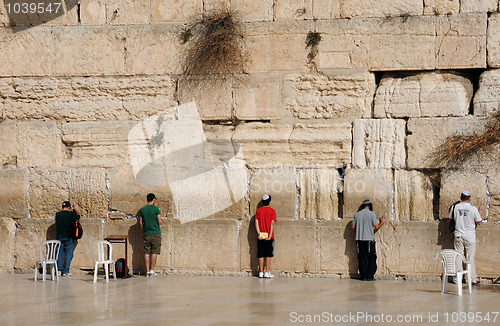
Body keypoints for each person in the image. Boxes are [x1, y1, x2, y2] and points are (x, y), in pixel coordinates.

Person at [449, 190, 483, 285]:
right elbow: (479, 222)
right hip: (469, 237)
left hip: (458, 235)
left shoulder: (454, 207)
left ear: (461, 198)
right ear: (469, 198)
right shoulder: (473, 209)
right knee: (469, 258)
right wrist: (480, 212)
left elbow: (450, 219)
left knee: (458, 256)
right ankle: (472, 279)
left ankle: (457, 279)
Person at [351, 199, 386, 281]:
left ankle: (363, 276)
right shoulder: (372, 214)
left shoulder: (357, 215)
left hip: (359, 239)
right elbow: (376, 226)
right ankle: (370, 276)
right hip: (369, 240)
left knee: (361, 258)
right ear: (370, 206)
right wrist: (382, 222)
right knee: (371, 258)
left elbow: (353, 227)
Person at [139, 193, 162, 277]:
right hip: (156, 233)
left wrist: (143, 232)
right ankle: (152, 270)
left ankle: (147, 271)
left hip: (146, 233)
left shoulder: (142, 210)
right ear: (154, 199)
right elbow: (160, 222)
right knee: (154, 252)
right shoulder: (156, 209)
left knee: (146, 252)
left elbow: (141, 224)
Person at [55, 201, 81, 277]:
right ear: (69, 207)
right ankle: (66, 271)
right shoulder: (71, 215)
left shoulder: (58, 215)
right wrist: (76, 209)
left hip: (59, 237)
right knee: (68, 255)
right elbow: (79, 216)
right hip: (68, 237)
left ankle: (59, 270)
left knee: (59, 254)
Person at [255, 194, 277, 278]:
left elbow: (256, 223)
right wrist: (270, 235)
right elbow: (272, 224)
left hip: (261, 235)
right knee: (268, 254)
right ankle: (267, 272)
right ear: (269, 202)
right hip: (269, 235)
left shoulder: (258, 211)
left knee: (261, 254)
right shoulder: (272, 211)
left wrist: (259, 233)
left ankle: (261, 272)